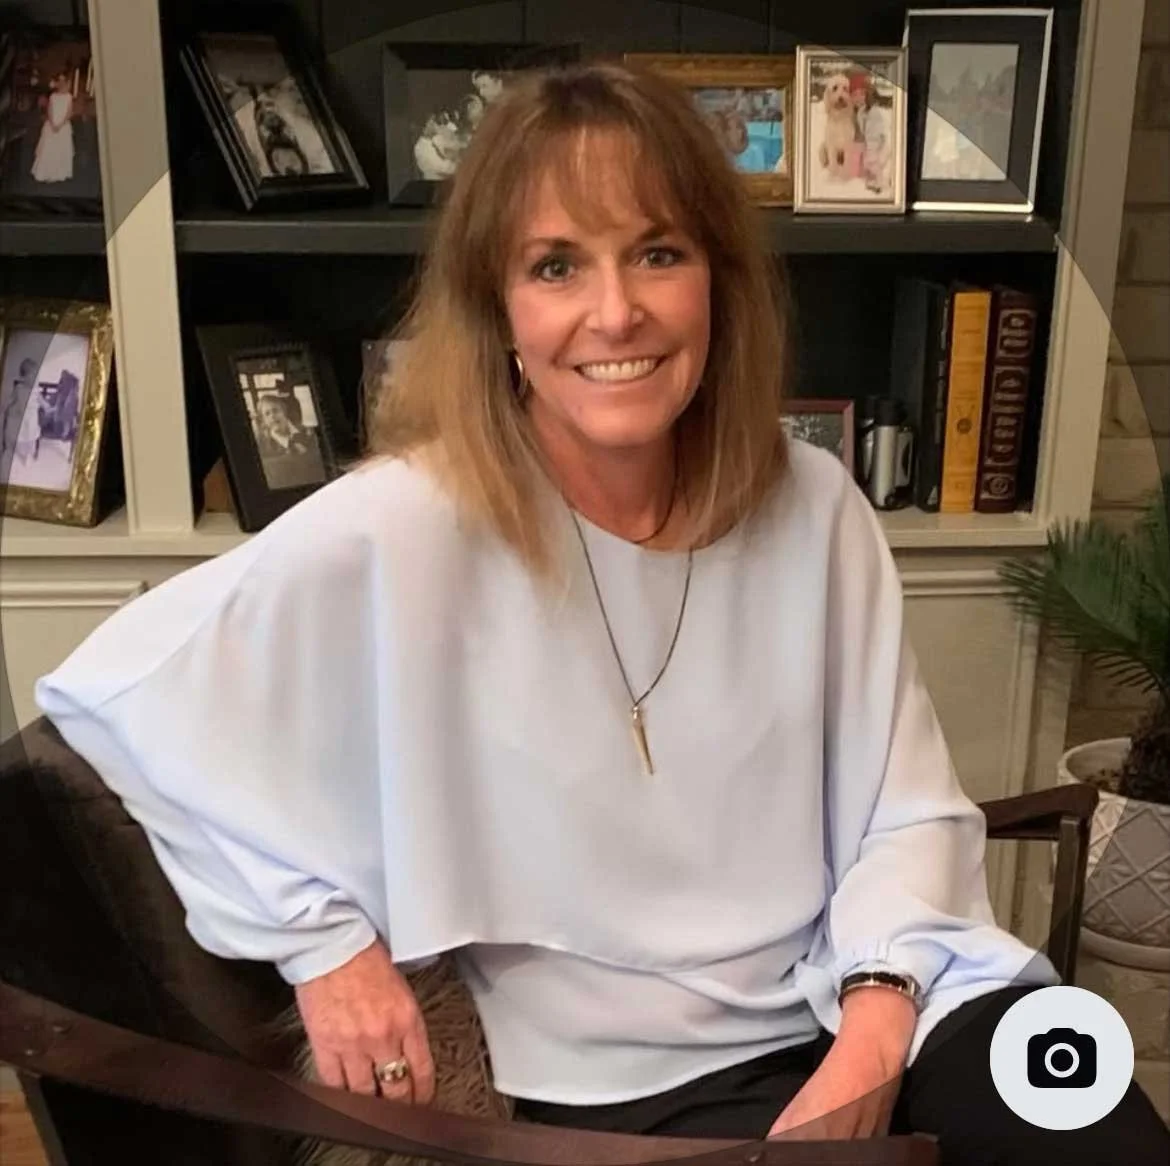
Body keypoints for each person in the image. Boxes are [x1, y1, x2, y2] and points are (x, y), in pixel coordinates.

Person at [34, 62, 1170, 1164]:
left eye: (657, 253)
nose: (615, 312)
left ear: (717, 279)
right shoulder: (407, 524)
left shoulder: (814, 500)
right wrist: (325, 946)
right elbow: (112, 691)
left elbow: (906, 807)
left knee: (1096, 1113)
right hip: (625, 1091)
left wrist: (875, 1026)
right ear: (499, 307)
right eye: (557, 265)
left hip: (899, 993)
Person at [31, 70, 75, 184]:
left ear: (65, 82)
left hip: (62, 126)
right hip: (52, 125)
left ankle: (58, 173)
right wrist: (52, 123)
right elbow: (49, 110)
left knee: (60, 149)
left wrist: (60, 125)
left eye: (63, 81)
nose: (60, 83)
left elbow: (69, 113)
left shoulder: (69, 97)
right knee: (48, 148)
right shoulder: (53, 96)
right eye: (58, 81)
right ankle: (45, 173)